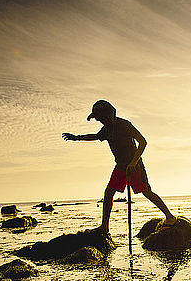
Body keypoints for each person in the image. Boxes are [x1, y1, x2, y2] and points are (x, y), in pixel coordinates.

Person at [62, 100, 177, 233]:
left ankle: (170, 217)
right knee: (109, 193)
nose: (100, 121)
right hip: (120, 166)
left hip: (135, 165)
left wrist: (134, 162)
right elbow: (95, 136)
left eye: (101, 118)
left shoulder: (124, 124)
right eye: (98, 119)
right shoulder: (106, 129)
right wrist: (77, 138)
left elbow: (143, 142)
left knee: (146, 191)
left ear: (108, 114)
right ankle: (104, 227)